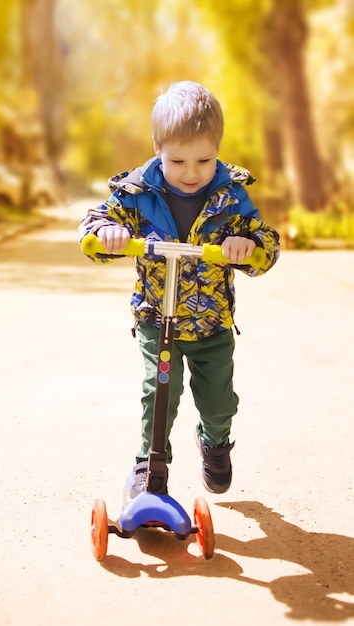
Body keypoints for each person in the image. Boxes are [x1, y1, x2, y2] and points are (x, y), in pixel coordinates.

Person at [79, 80, 280, 498]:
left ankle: (215, 441)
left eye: (205, 160)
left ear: (218, 150)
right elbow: (95, 224)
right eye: (179, 160)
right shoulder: (137, 193)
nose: (192, 173)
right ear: (158, 148)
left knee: (219, 401)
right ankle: (148, 467)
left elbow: (267, 243)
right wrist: (108, 232)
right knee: (159, 396)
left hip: (211, 323)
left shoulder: (231, 196)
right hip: (157, 319)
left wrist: (249, 247)